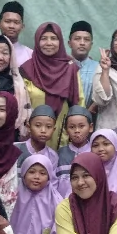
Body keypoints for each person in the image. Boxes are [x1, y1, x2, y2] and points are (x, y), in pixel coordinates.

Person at [19, 22, 82, 150]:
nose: (49, 43)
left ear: (60, 42)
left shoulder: (70, 68)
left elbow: (79, 103)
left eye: (53, 38)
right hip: (31, 135)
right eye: (43, 38)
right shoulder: (27, 69)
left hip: (62, 137)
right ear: (37, 41)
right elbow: (20, 104)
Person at [10, 153, 63, 234]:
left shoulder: (57, 201)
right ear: (23, 173)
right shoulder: (12, 197)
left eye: (42, 173)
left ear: (49, 176)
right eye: (32, 172)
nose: (36, 177)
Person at [13, 105, 61, 196]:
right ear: (28, 127)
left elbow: (52, 185)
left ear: (54, 130)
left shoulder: (52, 156)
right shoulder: (15, 149)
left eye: (48, 127)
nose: (43, 130)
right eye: (38, 125)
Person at [57, 106, 93, 190]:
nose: (77, 130)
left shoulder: (95, 152)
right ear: (66, 130)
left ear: (90, 127)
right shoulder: (59, 154)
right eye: (72, 127)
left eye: (81, 126)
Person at [68, 20, 99, 108]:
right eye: (77, 39)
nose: (82, 43)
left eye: (86, 39)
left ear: (91, 44)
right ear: (69, 43)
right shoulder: (61, 66)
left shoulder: (98, 68)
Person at [0, 1, 32, 68]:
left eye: (16, 22)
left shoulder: (30, 55)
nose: (12, 26)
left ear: (22, 27)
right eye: (7, 21)